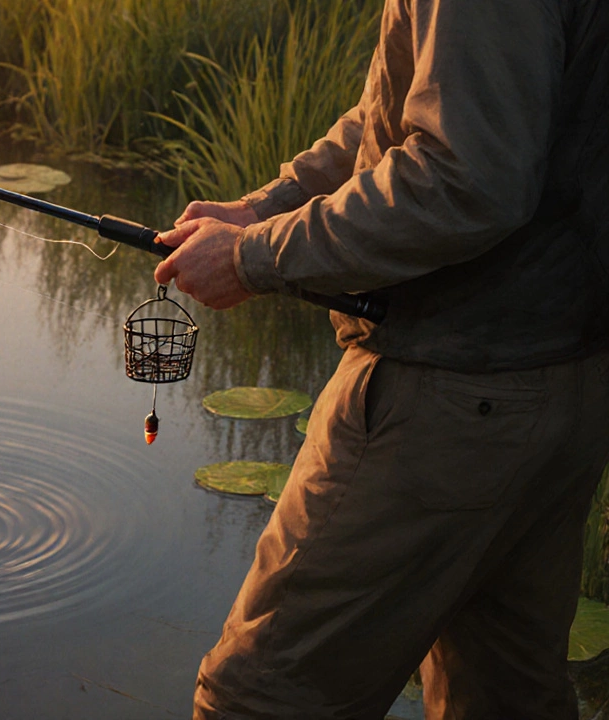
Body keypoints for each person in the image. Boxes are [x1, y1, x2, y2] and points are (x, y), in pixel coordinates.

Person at [152, 0, 609, 717]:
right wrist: (266, 207)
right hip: (565, 381)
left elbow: (466, 180)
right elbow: (397, 113)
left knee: (260, 699)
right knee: (503, 696)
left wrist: (256, 256)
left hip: (447, 397)